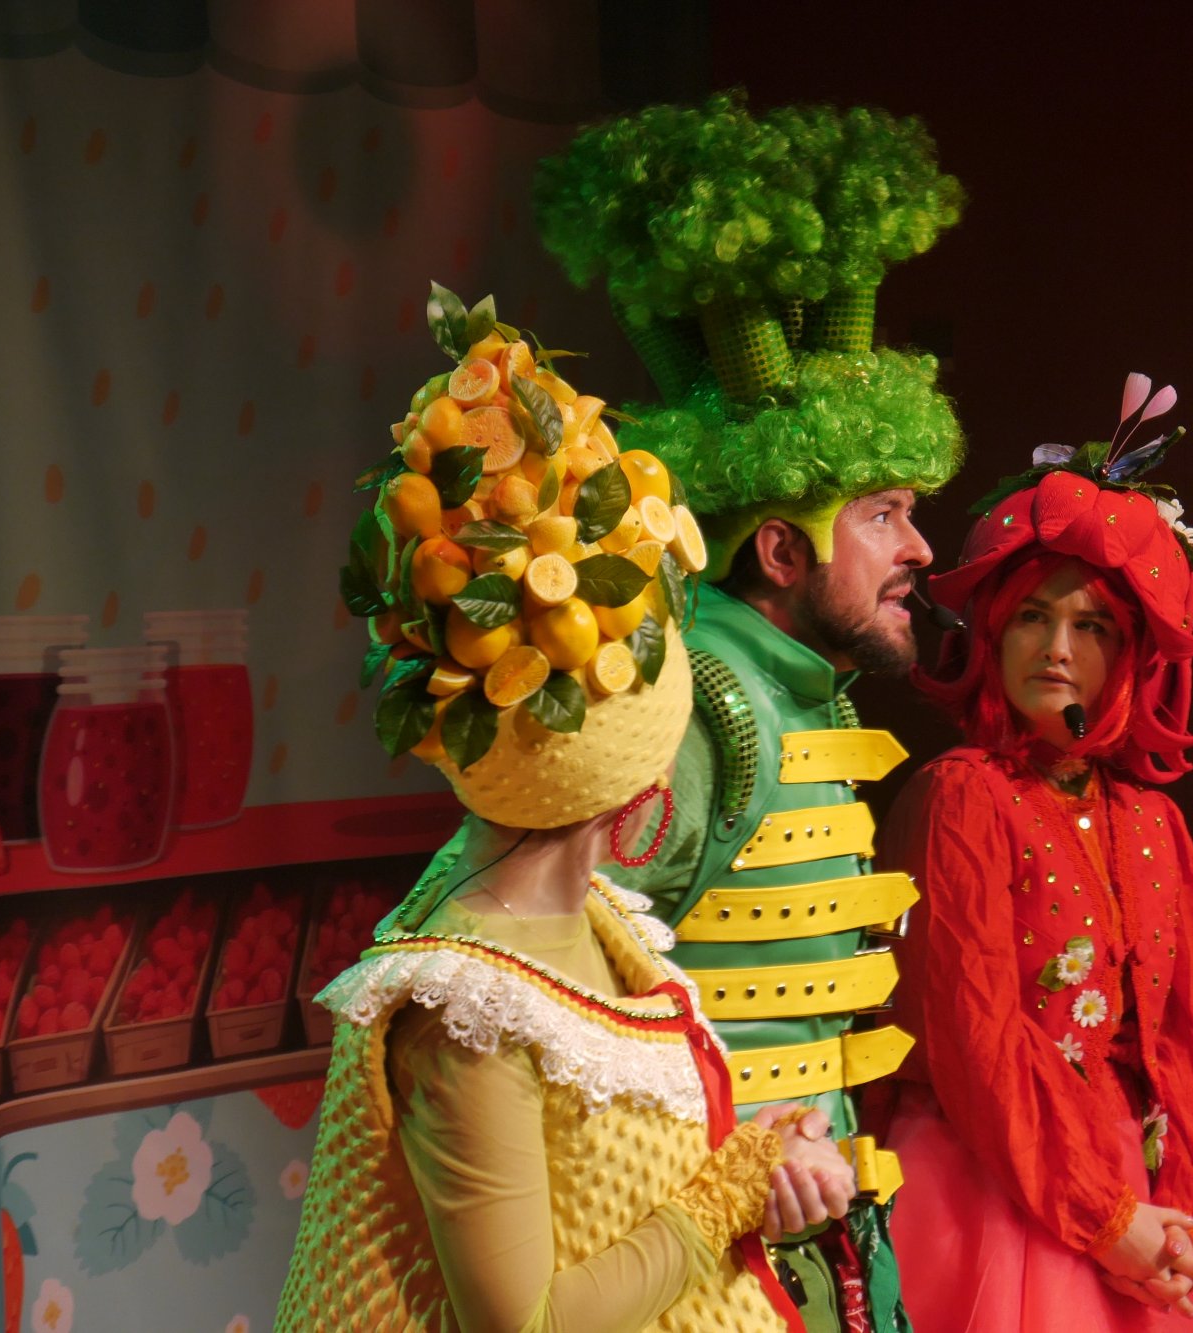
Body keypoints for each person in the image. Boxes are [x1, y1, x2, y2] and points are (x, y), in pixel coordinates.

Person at [278, 320, 854, 1332]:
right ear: (647, 780)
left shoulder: (594, 916)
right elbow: (529, 1321)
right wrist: (729, 1194)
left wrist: (755, 1151)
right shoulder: (472, 1006)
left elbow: (611, 1185)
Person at [535, 94, 966, 1332]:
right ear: (780, 549)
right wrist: (725, 1156)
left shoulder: (787, 691)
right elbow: (558, 981)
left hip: (798, 1229)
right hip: (705, 1246)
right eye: (881, 515)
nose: (918, 547)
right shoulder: (700, 706)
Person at [875, 380, 1193, 1331]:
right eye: (1032, 615)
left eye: (1091, 625)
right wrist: (1105, 1220)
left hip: (1134, 1185)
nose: (1057, 647)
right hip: (990, 1178)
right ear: (993, 629)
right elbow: (974, 1038)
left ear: (1129, 654)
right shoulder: (963, 794)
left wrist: (1192, 1226)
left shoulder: (1154, 820)